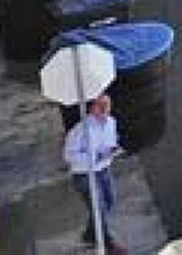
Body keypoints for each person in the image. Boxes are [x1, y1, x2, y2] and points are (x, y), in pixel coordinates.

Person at [63, 93, 125, 254]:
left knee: (110, 201)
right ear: (92, 108)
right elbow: (69, 155)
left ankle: (90, 234)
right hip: (84, 174)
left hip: (104, 169)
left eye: (107, 104)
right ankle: (108, 244)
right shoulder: (80, 129)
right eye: (100, 105)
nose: (105, 108)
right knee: (99, 208)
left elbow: (110, 142)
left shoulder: (112, 122)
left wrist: (114, 148)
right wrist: (95, 157)